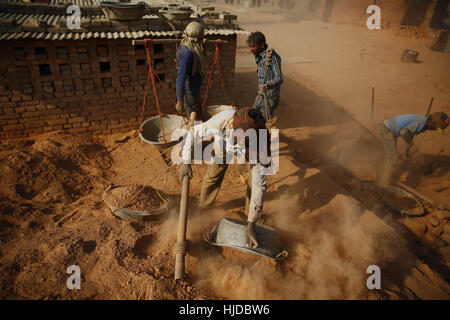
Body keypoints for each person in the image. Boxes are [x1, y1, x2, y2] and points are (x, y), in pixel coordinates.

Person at [178, 107, 271, 249]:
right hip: (223, 148)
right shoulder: (223, 120)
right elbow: (193, 133)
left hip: (249, 152)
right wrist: (186, 162)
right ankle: (203, 205)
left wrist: (251, 223)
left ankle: (250, 214)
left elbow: (260, 186)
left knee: (254, 183)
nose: (237, 139)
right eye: (236, 136)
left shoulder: (260, 145)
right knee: (213, 176)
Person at [379, 112, 449, 186]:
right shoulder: (420, 122)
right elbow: (403, 132)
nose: (434, 130)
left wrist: (407, 150)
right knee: (392, 158)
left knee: (399, 156)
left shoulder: (424, 122)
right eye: (435, 128)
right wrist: (410, 143)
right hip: (388, 129)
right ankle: (383, 182)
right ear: (433, 123)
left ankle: (393, 173)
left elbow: (410, 133)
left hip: (391, 128)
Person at [247, 31, 283, 121]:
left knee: (261, 122)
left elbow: (279, 78)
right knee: (251, 116)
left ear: (262, 45)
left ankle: (264, 135)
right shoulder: (260, 57)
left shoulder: (272, 57)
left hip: (269, 98)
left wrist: (268, 85)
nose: (251, 49)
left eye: (253, 46)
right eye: (250, 46)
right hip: (260, 96)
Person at [175, 22, 206, 121]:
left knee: (198, 116)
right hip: (190, 94)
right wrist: (179, 101)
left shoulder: (193, 45)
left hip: (194, 90)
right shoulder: (187, 52)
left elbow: (199, 46)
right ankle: (195, 136)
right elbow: (180, 78)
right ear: (197, 38)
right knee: (195, 121)